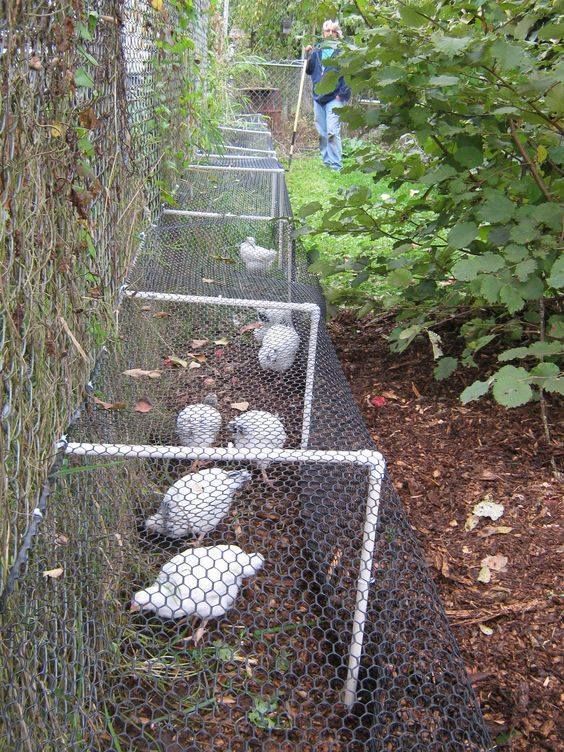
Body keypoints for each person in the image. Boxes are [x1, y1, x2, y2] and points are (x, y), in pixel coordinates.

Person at [305, 20, 350, 172]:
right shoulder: (317, 51)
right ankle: (327, 162)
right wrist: (308, 55)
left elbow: (348, 75)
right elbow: (310, 71)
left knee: (332, 131)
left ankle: (336, 165)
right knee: (322, 132)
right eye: (327, 31)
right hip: (318, 98)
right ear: (323, 34)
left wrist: (341, 95)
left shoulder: (342, 52)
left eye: (333, 31)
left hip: (334, 97)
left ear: (337, 34)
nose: (330, 34)